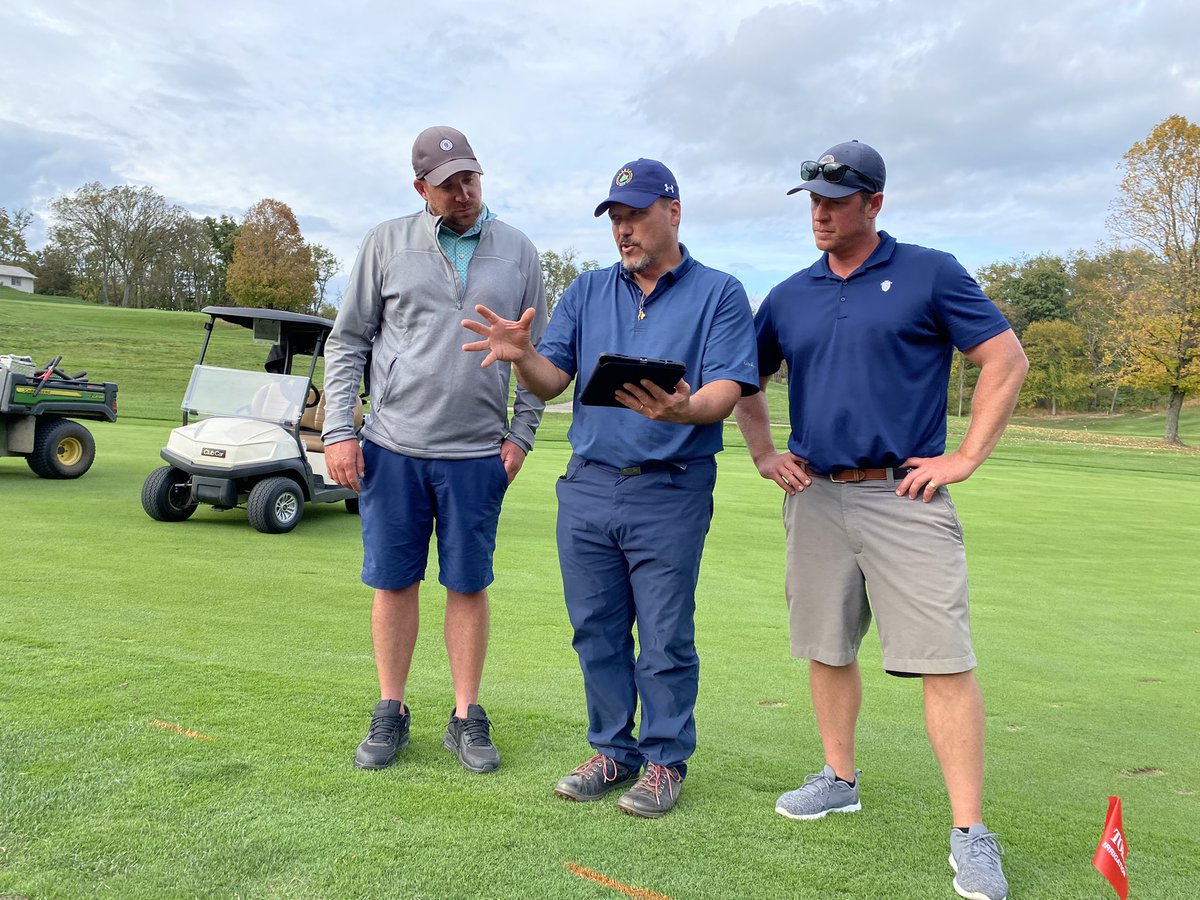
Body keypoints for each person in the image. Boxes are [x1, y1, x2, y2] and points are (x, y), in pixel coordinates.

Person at [735, 140, 1027, 900]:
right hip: (817, 496)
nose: (822, 213)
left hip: (907, 495)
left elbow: (1005, 359)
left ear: (875, 203)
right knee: (827, 648)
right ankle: (839, 778)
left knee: (944, 659)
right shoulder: (791, 294)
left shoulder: (930, 271)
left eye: (837, 199)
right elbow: (745, 379)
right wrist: (765, 452)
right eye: (814, 200)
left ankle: (971, 832)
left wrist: (964, 457)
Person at [461, 158, 759, 818]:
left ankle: (663, 761)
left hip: (671, 489)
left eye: (636, 215)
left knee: (663, 636)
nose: (623, 230)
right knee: (595, 631)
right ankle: (611, 750)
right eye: (615, 219)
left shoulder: (720, 293)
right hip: (589, 487)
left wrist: (686, 409)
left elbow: (727, 388)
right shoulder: (589, 292)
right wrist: (521, 356)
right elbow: (551, 378)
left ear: (673, 213)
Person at [321, 125, 548, 774]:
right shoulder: (386, 244)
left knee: (468, 584)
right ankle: (391, 710)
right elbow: (348, 342)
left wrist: (521, 437)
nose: (464, 192)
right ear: (421, 187)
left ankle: (465, 716)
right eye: (449, 184)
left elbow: (539, 357)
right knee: (395, 583)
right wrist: (340, 430)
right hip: (393, 448)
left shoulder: (518, 253)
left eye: (471, 178)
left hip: (478, 454)